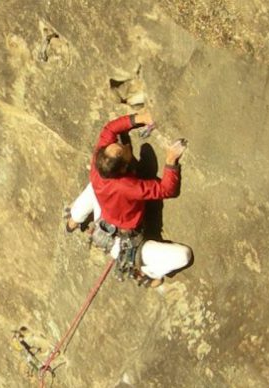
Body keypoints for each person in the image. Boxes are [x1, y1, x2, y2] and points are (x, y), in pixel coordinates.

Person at [65, 110, 191, 286]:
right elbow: (167, 190)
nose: (123, 145)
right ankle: (147, 273)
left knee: (95, 186)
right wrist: (170, 160)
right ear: (123, 169)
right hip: (124, 244)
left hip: (104, 217)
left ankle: (75, 218)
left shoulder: (99, 160)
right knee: (184, 255)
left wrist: (139, 118)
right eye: (123, 150)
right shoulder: (128, 187)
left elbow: (109, 130)